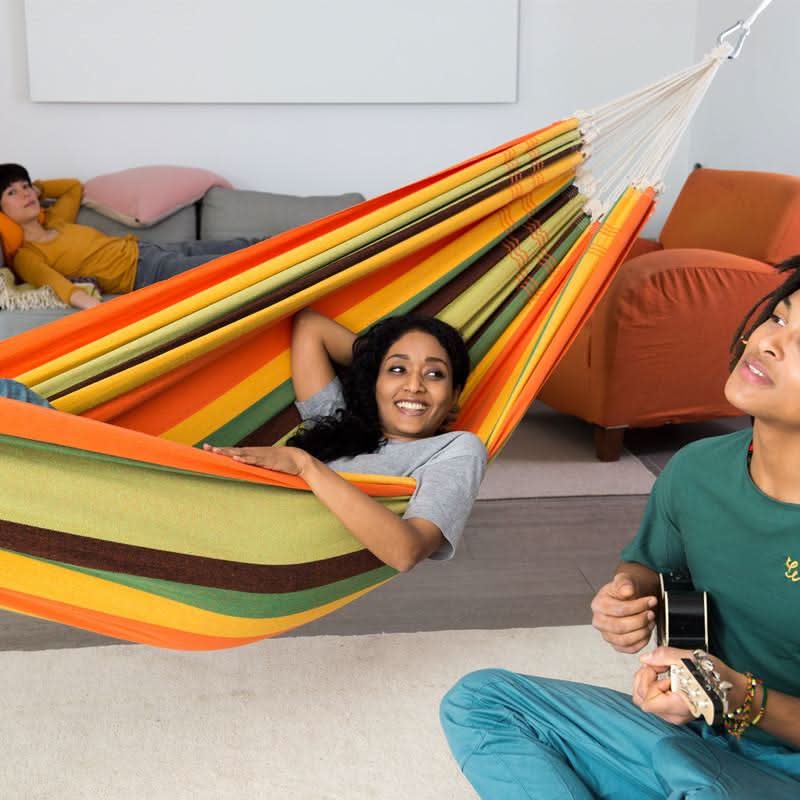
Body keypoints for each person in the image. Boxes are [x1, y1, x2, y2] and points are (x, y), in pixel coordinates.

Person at [439, 257, 800, 798]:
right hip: (699, 743)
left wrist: (738, 695)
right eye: (779, 316)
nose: (769, 342)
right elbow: (654, 567)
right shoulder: (697, 469)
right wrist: (627, 596)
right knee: (481, 701)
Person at [205, 308, 488, 572]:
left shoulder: (455, 449)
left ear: (453, 397)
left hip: (252, 554)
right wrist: (373, 365)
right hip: (219, 516)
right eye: (398, 370)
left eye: (434, 374)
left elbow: (406, 551)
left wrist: (305, 466)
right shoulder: (338, 419)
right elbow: (310, 327)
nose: (414, 386)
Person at [0, 163, 259, 310]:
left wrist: (39, 186)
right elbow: (60, 286)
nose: (25, 194)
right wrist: (101, 311)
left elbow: (73, 187)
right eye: (12, 193)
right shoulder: (27, 256)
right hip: (144, 272)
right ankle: (291, 268)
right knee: (230, 267)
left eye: (26, 186)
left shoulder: (57, 220)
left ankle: (299, 243)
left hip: (149, 249)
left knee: (241, 247)